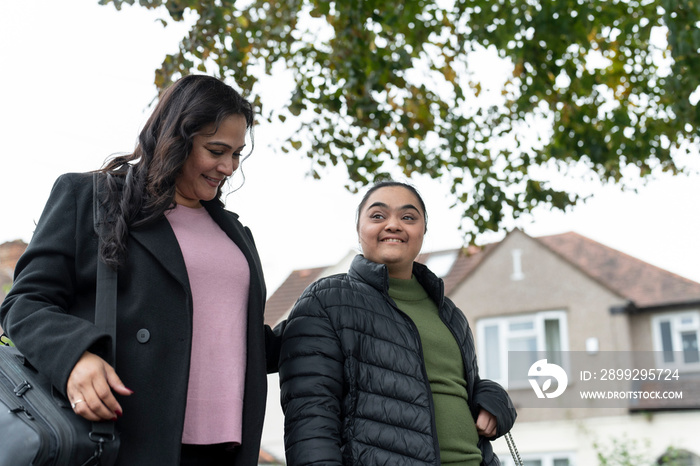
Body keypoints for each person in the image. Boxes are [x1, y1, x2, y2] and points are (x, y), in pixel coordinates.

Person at [0, 74, 282, 465]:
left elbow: (239, 341)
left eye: (237, 153)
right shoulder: (92, 197)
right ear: (177, 138)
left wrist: (328, 315)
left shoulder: (235, 233)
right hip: (126, 436)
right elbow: (25, 303)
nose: (229, 167)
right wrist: (74, 357)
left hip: (227, 448)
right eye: (217, 150)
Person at [279, 181, 517, 466]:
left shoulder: (451, 314)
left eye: (408, 217)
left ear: (423, 231)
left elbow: (459, 387)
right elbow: (311, 416)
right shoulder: (326, 301)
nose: (393, 225)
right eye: (378, 216)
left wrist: (494, 399)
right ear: (359, 229)